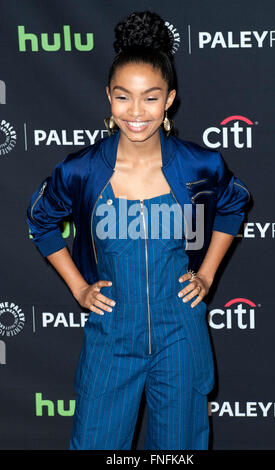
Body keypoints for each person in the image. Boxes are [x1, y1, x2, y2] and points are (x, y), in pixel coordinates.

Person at [26, 10, 251, 450]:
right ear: (108, 98)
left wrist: (206, 274)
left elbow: (233, 206)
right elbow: (41, 221)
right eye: (123, 97)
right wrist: (78, 288)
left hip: (180, 337)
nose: (136, 112)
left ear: (169, 100)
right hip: (112, 337)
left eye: (150, 97)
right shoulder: (82, 171)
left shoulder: (198, 165)